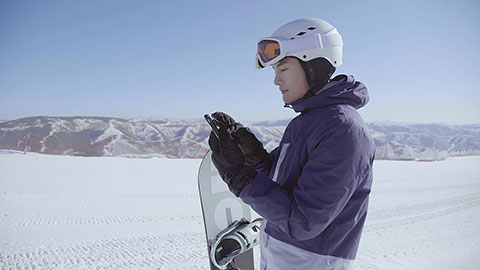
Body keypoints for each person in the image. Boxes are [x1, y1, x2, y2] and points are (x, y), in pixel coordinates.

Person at [208, 18, 375, 270]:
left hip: (313, 263)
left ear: (314, 65)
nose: (276, 81)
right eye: (275, 71)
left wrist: (240, 178)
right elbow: (286, 185)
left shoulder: (342, 129)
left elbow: (303, 221)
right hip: (285, 257)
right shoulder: (307, 122)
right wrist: (254, 156)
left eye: (283, 69)